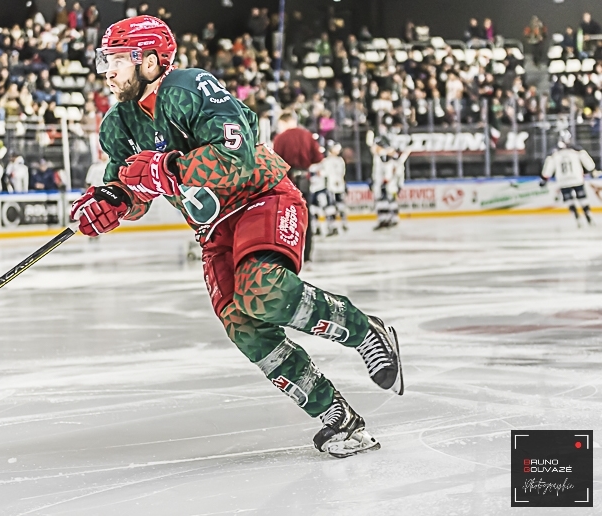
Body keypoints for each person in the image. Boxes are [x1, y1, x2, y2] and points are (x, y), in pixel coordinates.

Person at [68, 15, 403, 459]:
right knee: (243, 326)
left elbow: (236, 156)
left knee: (264, 291)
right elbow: (130, 192)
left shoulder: (190, 87)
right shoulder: (117, 125)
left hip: (260, 197)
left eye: (117, 60)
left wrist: (167, 170)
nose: (107, 70)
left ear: (150, 61)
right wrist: (106, 205)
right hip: (212, 229)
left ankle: (363, 331)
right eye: (105, 59)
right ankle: (337, 418)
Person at [272, 112, 324, 262]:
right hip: (305, 181)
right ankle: (306, 256)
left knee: (285, 219)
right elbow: (318, 158)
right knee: (305, 220)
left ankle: (287, 255)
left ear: (284, 122)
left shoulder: (280, 138)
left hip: (287, 182)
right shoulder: (307, 135)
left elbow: (276, 162)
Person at [540, 131, 598, 227]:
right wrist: (592, 170)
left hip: (563, 180)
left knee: (569, 200)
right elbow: (586, 160)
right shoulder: (576, 150)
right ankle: (587, 214)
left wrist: (544, 178)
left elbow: (548, 167)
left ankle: (576, 216)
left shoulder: (554, 153)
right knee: (582, 199)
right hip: (576, 178)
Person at [310, 142, 348, 235]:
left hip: (336, 187)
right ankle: (324, 227)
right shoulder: (325, 161)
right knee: (324, 208)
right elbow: (323, 172)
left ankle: (339, 225)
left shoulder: (339, 160)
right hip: (327, 188)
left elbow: (339, 173)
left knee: (337, 207)